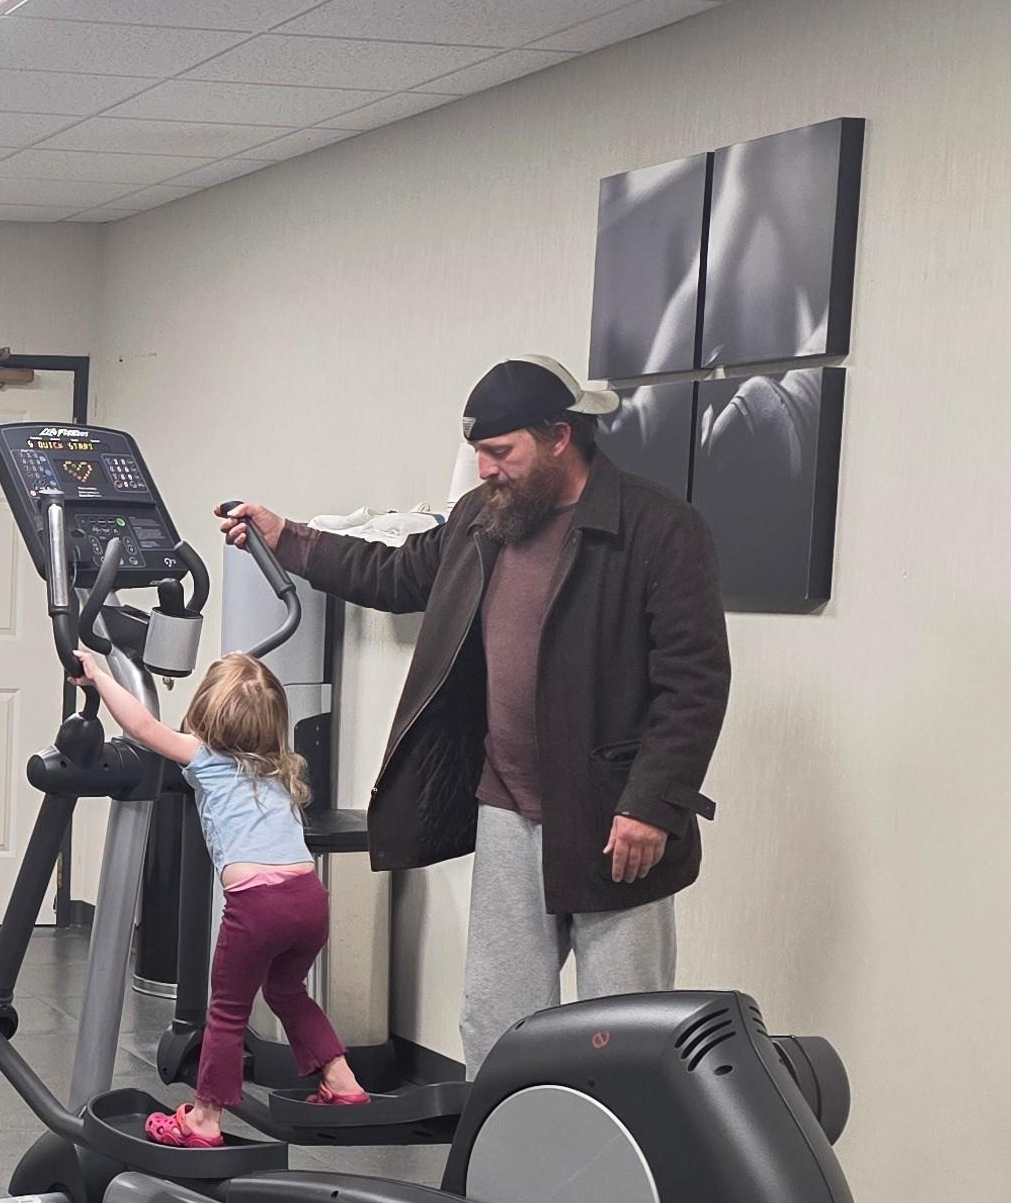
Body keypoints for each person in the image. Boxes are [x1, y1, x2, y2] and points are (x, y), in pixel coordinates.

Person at [222, 355, 730, 1072]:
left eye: (500, 451)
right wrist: (288, 538)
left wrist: (651, 804)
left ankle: (620, 1149)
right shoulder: (483, 519)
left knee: (623, 1035)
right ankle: (500, 1144)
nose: (485, 469)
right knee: (496, 1021)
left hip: (614, 818)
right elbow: (394, 575)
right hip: (508, 808)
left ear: (560, 436)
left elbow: (695, 682)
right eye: (479, 453)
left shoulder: (658, 528)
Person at [70, 647, 372, 1146]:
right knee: (286, 990)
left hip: (258, 909)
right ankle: (342, 1080)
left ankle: (204, 1119)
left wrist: (99, 675)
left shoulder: (205, 758)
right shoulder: (280, 769)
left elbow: (141, 727)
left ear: (206, 714)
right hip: (309, 900)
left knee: (228, 1012)